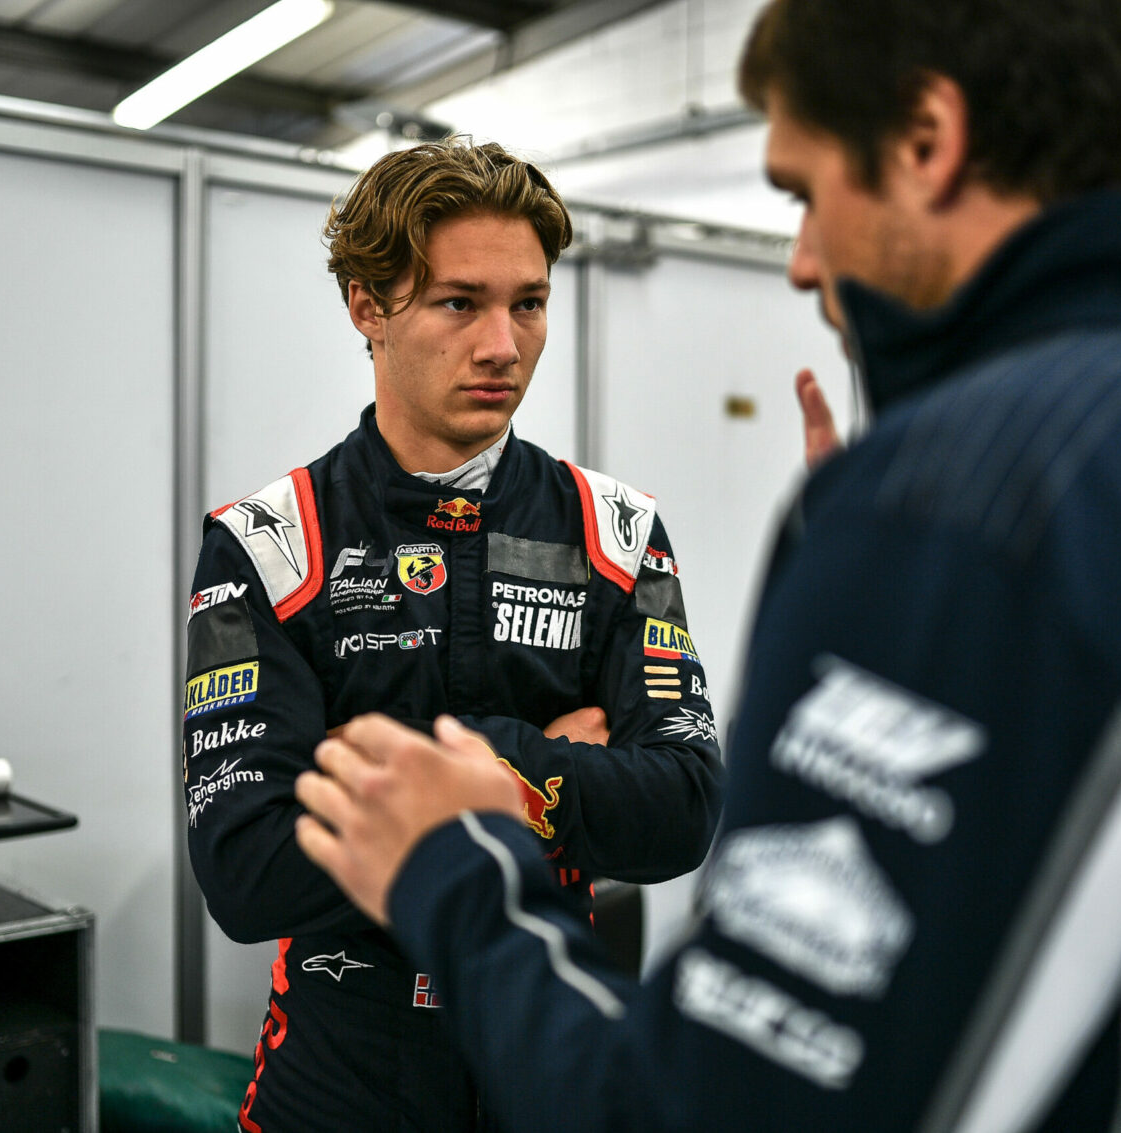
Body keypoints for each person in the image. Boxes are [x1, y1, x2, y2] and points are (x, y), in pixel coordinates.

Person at [290, 0, 1121, 1129]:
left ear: (926, 141)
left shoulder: (968, 506)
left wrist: (456, 859)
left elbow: (716, 1109)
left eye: (804, 194)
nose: (799, 263)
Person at [182, 139, 723, 1132]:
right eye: (459, 303)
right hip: (338, 1088)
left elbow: (685, 808)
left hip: (554, 1072)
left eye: (529, 303)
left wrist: (431, 772)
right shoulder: (266, 543)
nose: (502, 345)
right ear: (367, 306)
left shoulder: (617, 533)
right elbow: (246, 868)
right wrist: (555, 766)